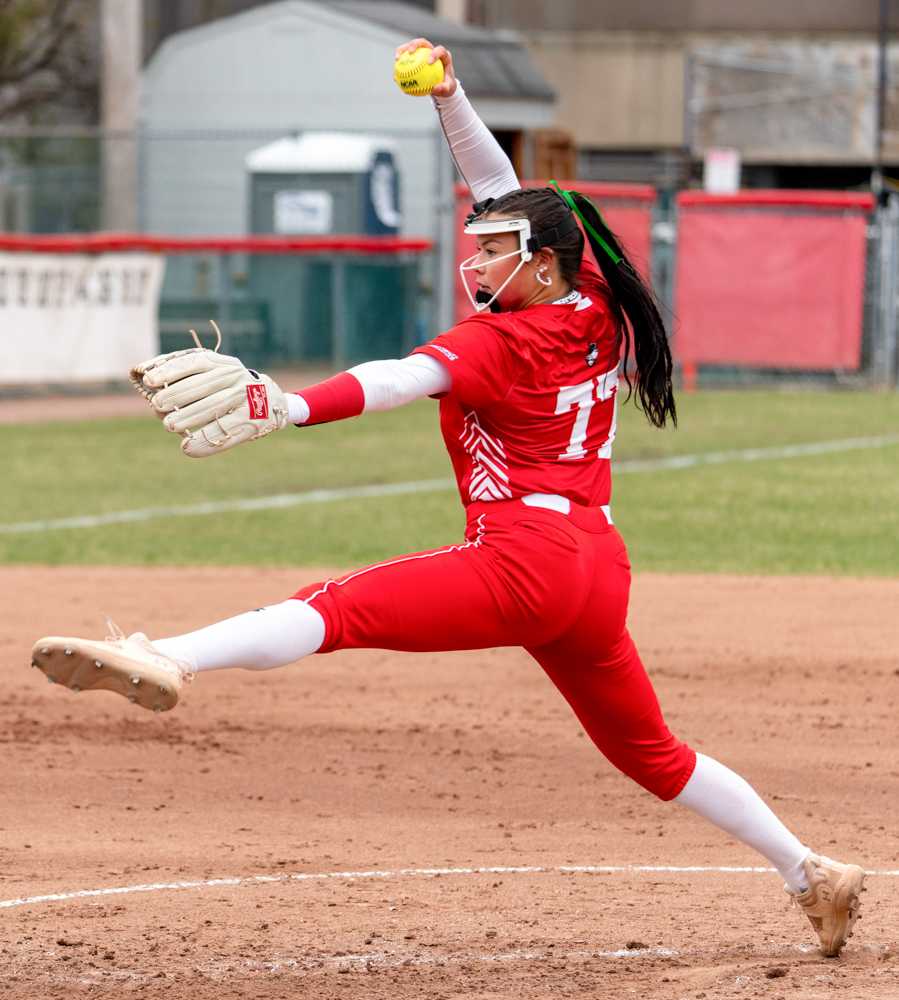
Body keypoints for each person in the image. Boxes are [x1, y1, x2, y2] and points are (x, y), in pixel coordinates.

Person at [32, 38, 865, 958]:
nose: (477, 263)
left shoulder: (499, 346)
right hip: (595, 570)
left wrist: (292, 405)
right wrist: (452, 97)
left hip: (524, 563)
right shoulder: (592, 303)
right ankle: (810, 873)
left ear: (544, 262)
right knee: (651, 754)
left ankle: (169, 657)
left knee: (334, 607)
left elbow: (393, 378)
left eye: (496, 252)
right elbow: (499, 182)